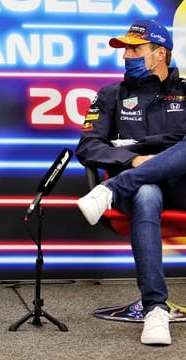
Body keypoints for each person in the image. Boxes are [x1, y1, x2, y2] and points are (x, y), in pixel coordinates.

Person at [75, 19, 186, 346]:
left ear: (159, 54)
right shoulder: (110, 95)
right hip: (140, 190)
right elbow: (88, 146)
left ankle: (108, 190)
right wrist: (133, 159)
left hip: (182, 186)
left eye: (135, 49)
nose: (126, 56)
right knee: (147, 192)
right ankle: (155, 308)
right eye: (124, 50)